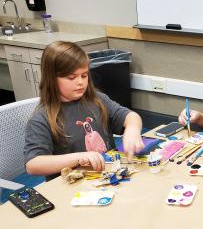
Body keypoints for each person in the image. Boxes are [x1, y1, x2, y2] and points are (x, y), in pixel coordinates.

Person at [24, 41, 144, 180]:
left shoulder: (97, 100)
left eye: (84, 75)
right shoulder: (42, 118)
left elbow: (131, 116)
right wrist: (80, 157)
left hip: (106, 177)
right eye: (71, 77)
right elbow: (33, 165)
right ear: (51, 79)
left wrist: (132, 130)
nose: (80, 82)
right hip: (73, 187)